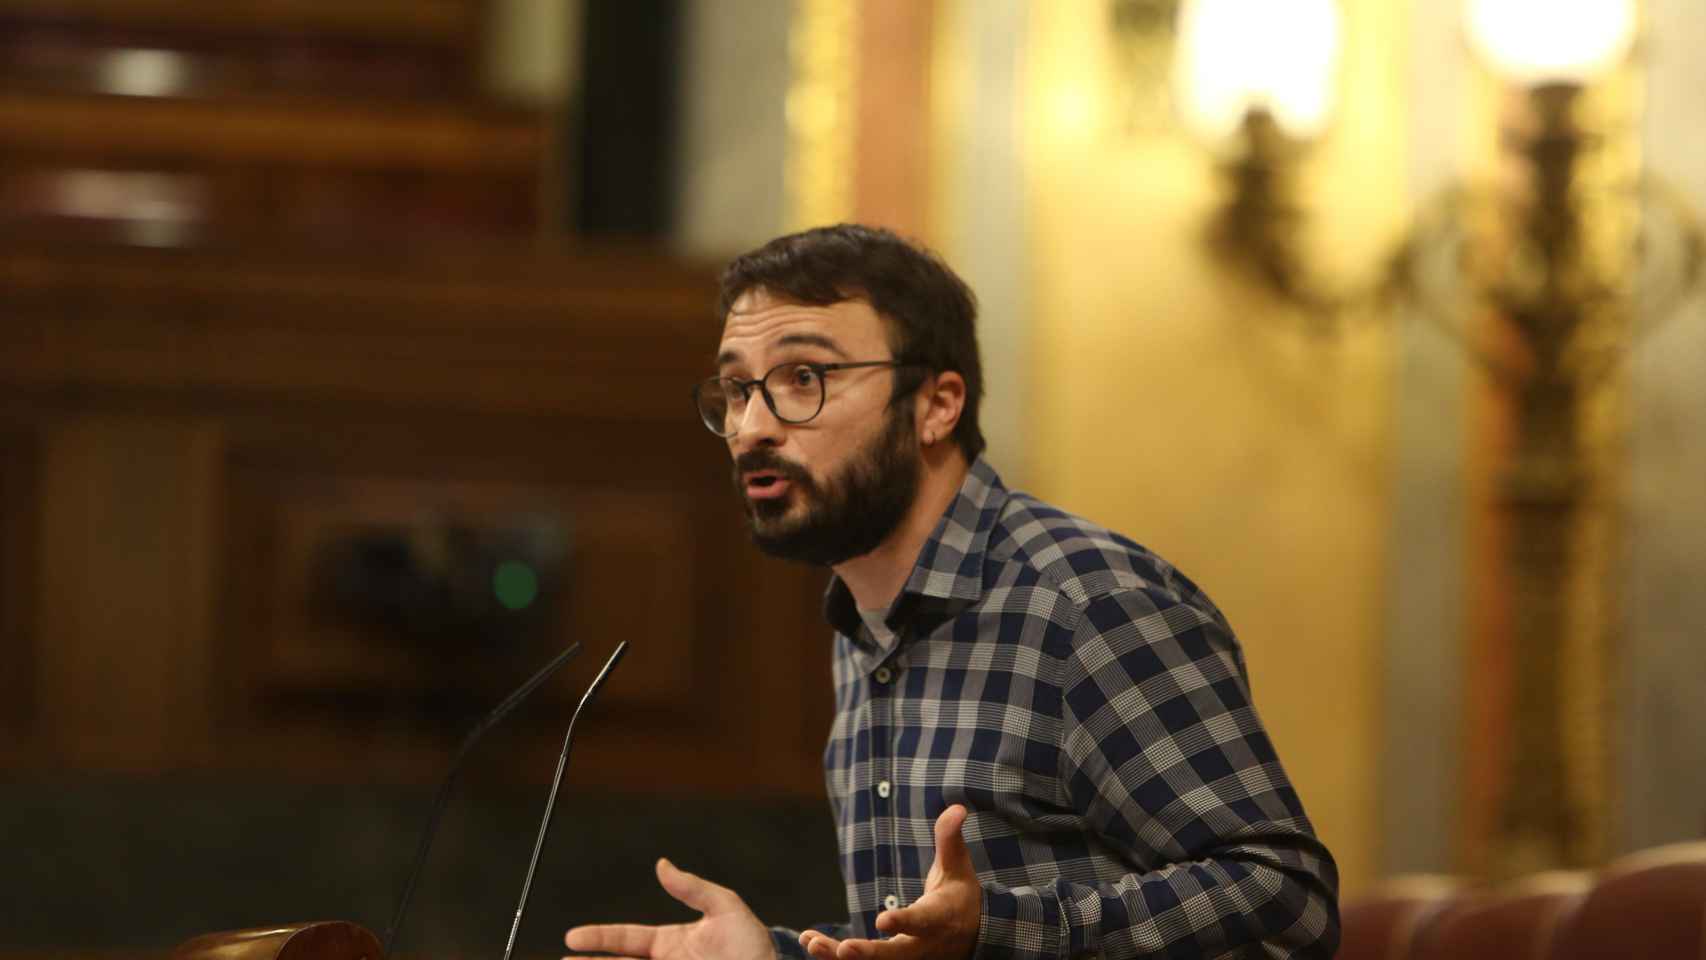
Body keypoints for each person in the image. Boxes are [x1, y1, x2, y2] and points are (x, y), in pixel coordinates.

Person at [564, 224, 1339, 960]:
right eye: (737, 389)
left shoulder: (1081, 606)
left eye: (805, 378)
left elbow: (1287, 897)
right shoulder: (863, 629)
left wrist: (1000, 929)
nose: (754, 426)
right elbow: (919, 939)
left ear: (937, 405)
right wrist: (775, 952)